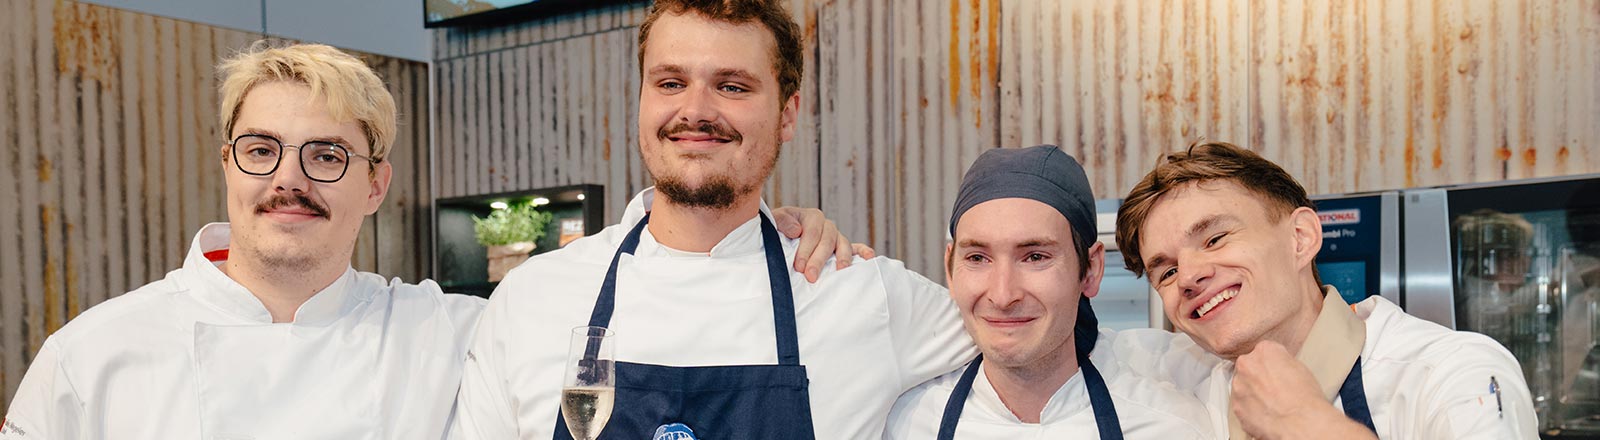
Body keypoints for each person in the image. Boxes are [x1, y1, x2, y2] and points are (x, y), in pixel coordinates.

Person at [0, 41, 857, 440]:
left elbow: (653, 286)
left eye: (326, 155)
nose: (288, 179)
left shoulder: (445, 328)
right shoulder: (92, 359)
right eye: (262, 149)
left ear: (376, 184)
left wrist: (766, 233)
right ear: (228, 163)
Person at [449, 0, 976, 438]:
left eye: (732, 86)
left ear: (788, 114)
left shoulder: (864, 296)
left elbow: (1035, 332)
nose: (695, 110)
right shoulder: (533, 297)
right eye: (671, 82)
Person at [1109, 140, 1538, 439]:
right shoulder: (1186, 389)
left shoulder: (1451, 373)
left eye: (1215, 239)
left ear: (1300, 238)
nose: (1187, 277)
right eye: (1164, 272)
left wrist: (1304, 422)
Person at [883, 145, 1213, 439]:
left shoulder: (1171, 427)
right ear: (950, 270)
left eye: (1035, 257)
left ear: (1091, 269)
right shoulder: (901, 424)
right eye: (977, 258)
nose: (1002, 294)